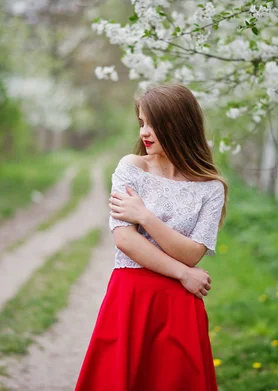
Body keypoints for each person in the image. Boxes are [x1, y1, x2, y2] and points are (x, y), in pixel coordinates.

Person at [75, 83, 228, 391]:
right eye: (142, 122)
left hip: (179, 307)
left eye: (155, 124)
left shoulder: (211, 188)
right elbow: (126, 241)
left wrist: (144, 216)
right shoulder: (130, 168)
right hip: (131, 296)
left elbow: (193, 252)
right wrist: (184, 273)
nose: (145, 131)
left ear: (180, 125)